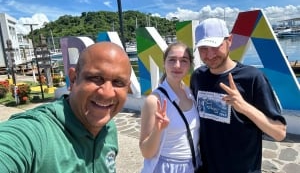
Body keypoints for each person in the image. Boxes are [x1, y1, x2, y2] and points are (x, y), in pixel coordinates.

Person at [0, 42, 132, 172]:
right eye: (96, 78)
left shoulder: (108, 128)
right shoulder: (36, 132)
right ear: (74, 79)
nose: (107, 93)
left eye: (118, 82)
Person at [190, 18, 287, 173]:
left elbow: (279, 133)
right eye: (203, 48)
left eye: (215, 46)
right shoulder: (198, 77)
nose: (209, 55)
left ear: (230, 40)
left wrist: (244, 107)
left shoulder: (252, 77)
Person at [139, 42, 202, 173]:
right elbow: (146, 152)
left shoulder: (190, 93)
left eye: (183, 60)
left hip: (194, 164)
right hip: (168, 167)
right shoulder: (155, 100)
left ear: (189, 65)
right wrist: (157, 129)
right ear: (164, 63)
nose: (177, 65)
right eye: (172, 60)